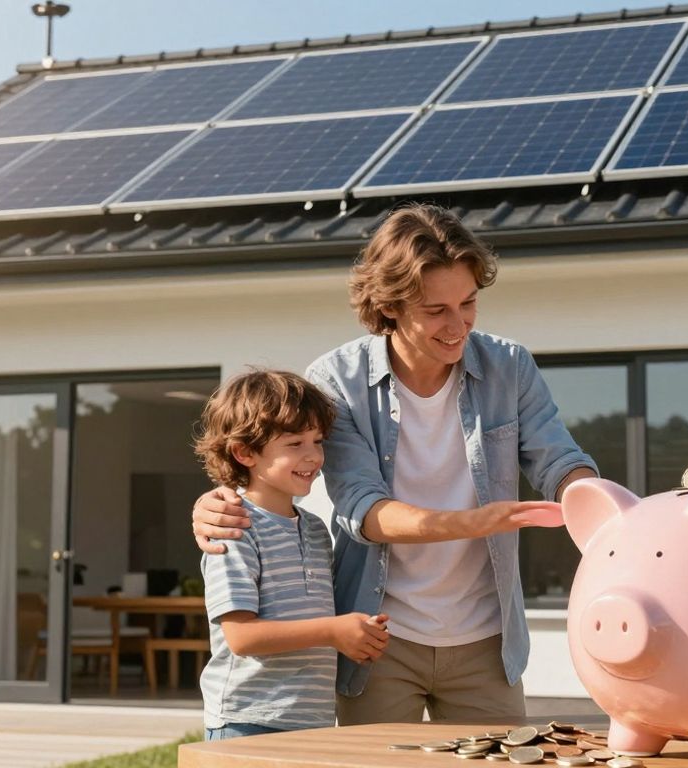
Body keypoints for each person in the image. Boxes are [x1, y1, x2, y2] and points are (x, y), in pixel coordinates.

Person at [193, 204, 597, 724]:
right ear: (390, 306)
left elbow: (559, 459)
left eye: (468, 303)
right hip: (378, 638)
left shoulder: (509, 366)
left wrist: (602, 508)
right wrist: (476, 522)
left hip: (487, 639)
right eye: (436, 311)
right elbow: (364, 511)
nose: (458, 326)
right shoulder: (336, 381)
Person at [193, 369, 390, 740]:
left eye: (317, 441)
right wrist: (334, 630)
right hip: (247, 719)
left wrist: (357, 634)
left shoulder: (315, 529)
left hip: (310, 720)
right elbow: (241, 637)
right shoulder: (233, 529)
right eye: (295, 444)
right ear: (244, 452)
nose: (314, 456)